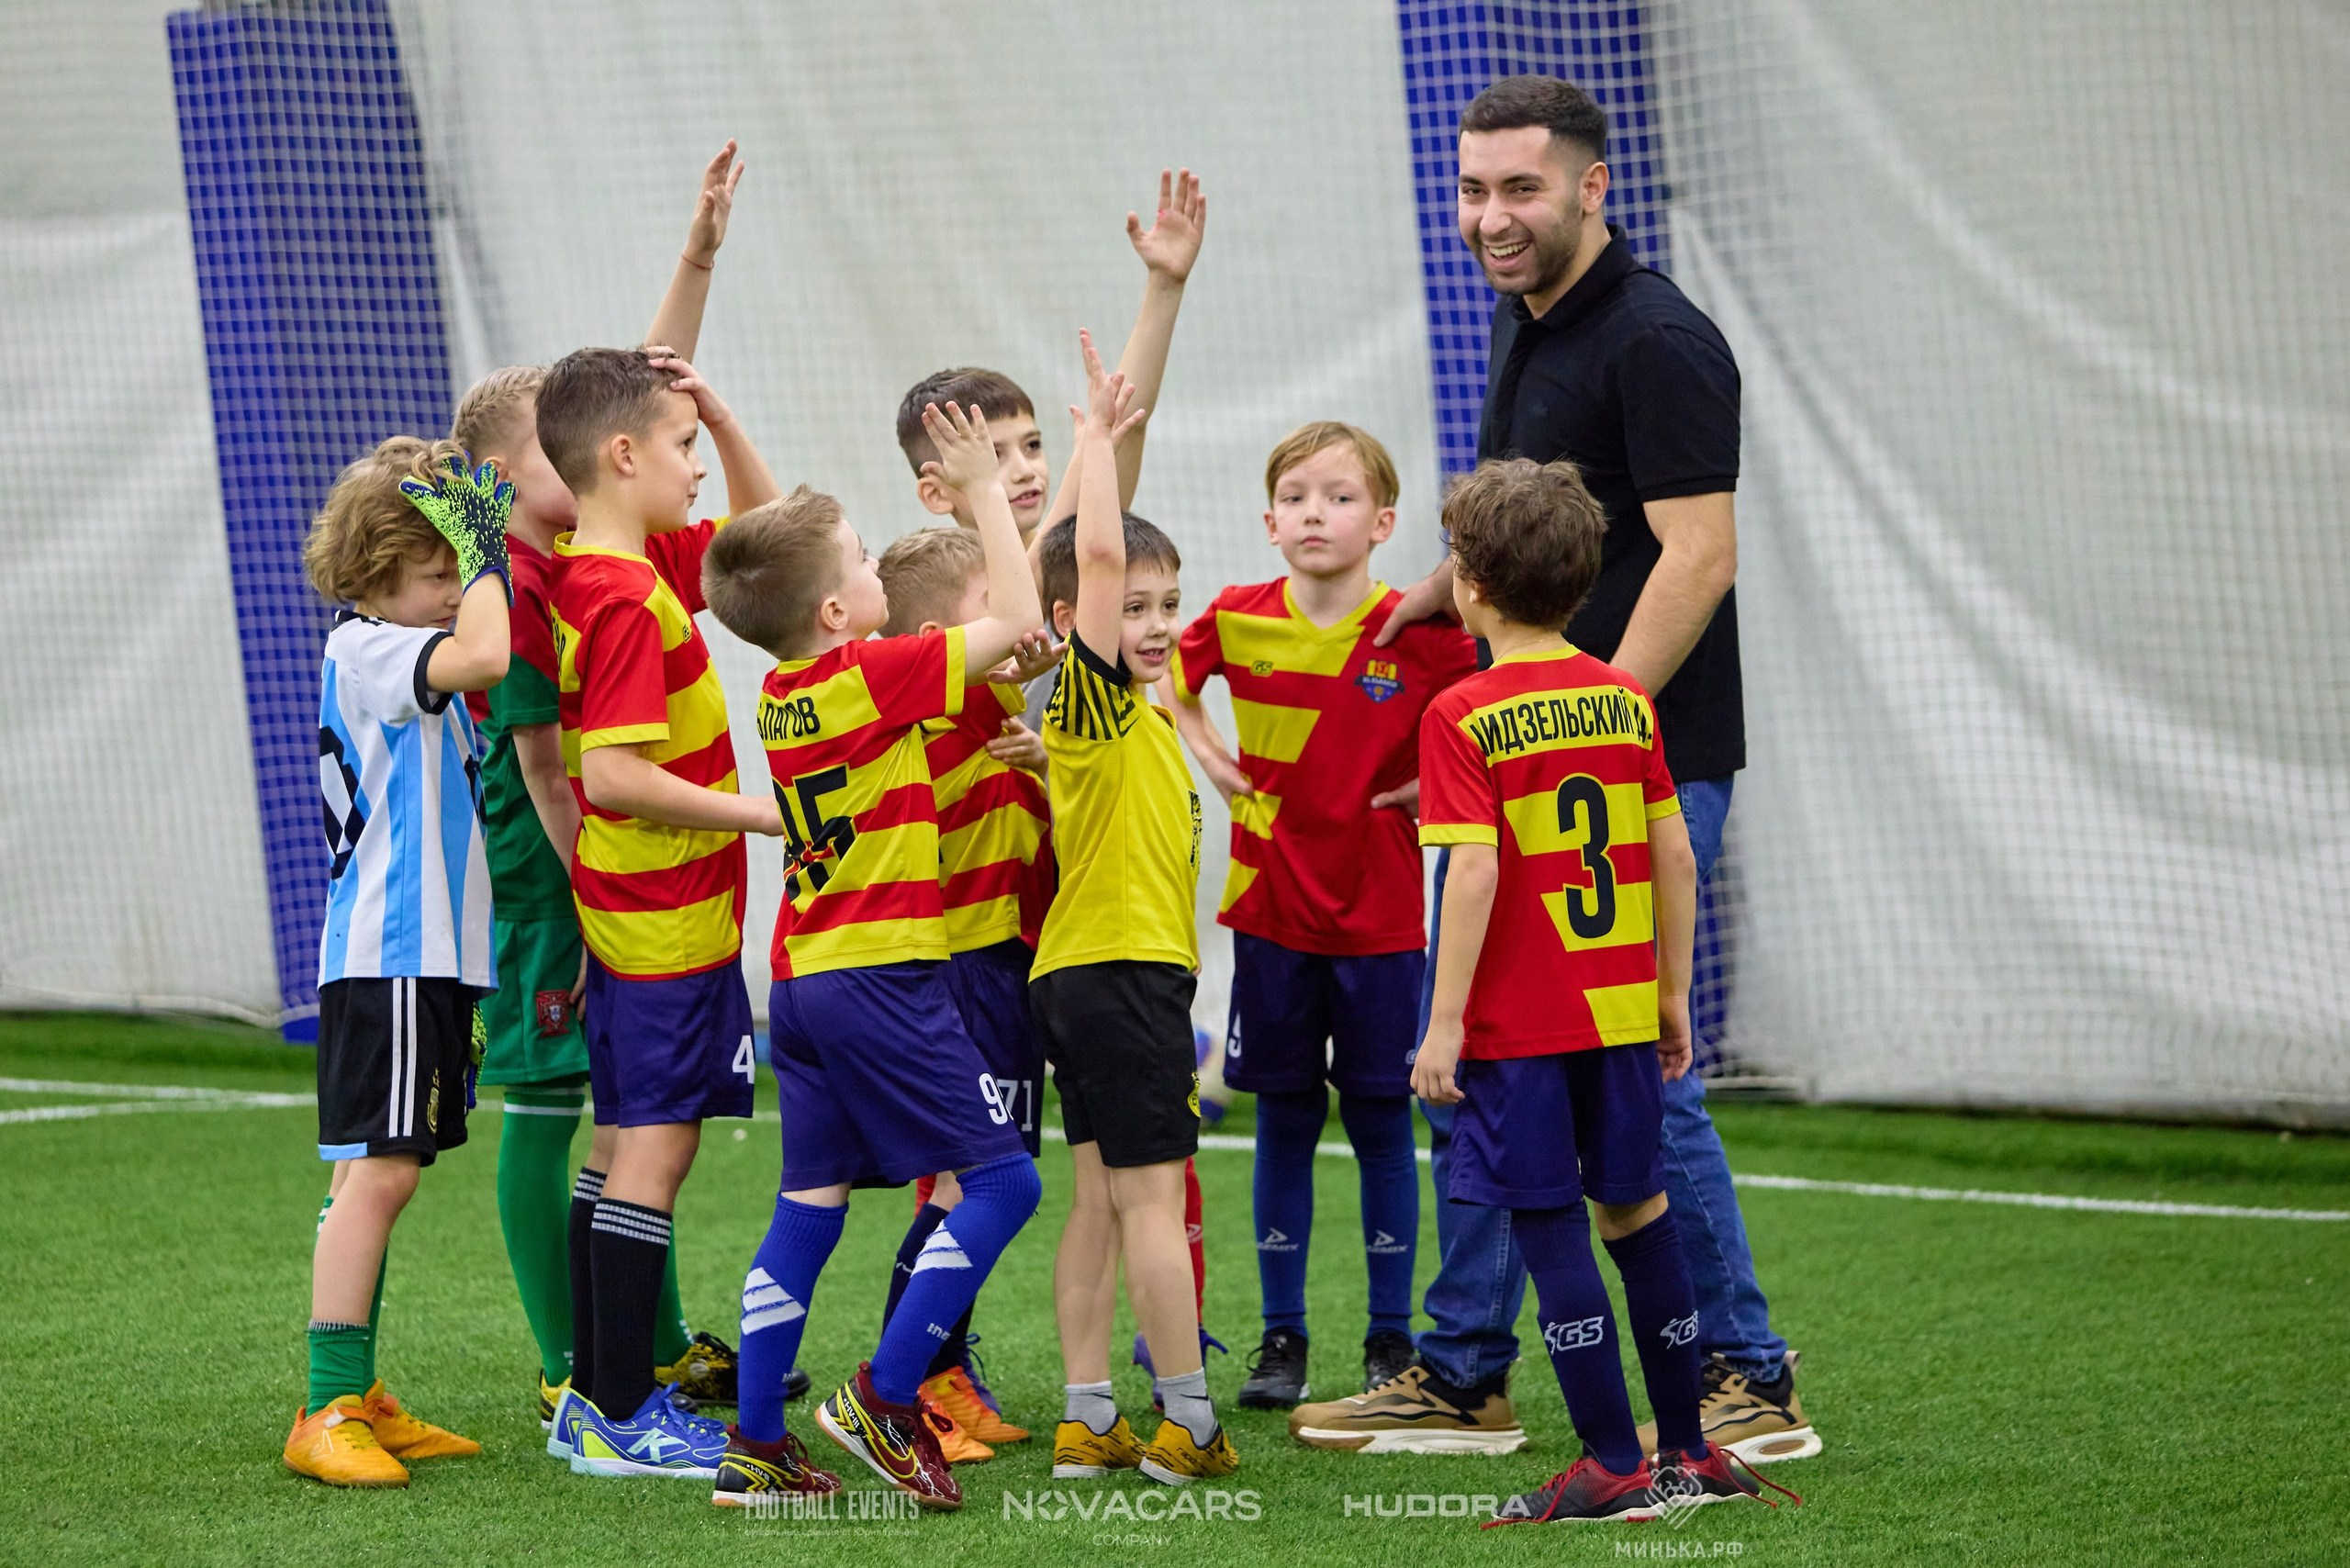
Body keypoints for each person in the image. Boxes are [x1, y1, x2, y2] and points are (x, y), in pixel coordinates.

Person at [1299, 73, 1813, 1466]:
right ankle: (1467, 1372)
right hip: (1555, 754)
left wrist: (1579, 727)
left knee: (1649, 1070)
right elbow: (1534, 528)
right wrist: (1429, 590)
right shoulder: (1527, 323)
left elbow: (1698, 554)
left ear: (1593, 186)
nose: (1490, 218)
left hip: (1642, 758)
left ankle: (1744, 1378)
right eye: (1471, 191)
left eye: (1519, 189)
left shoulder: (1660, 340)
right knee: (1502, 1058)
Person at [892, 172, 1220, 1385]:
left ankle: (1044, 1377)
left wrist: (1162, 288)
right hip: (978, 922)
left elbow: (1114, 447)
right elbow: (1102, 480)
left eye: (1035, 444)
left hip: (1062, 914)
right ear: (940, 484)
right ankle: (929, 1377)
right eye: (997, 451)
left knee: (1059, 1172)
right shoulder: (955, 590)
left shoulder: (1055, 577)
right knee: (978, 1166)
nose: (1028, 465)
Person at [699, 402, 1047, 1512]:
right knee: (1004, 1179)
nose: (873, 564)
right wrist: (986, 488)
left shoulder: (783, 690)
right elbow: (1022, 620)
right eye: (859, 555)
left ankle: (757, 1444)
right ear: (841, 608)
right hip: (877, 976)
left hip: (800, 980)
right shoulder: (871, 672)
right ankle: (886, 1394)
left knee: (808, 1206)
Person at [453, 140, 752, 1433]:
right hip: (562, 867)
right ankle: (578, 1363)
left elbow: (635, 404)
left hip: (622, 864)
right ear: (506, 482)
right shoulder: (528, 588)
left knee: (632, 1115)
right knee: (565, 1097)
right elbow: (551, 769)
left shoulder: (591, 547)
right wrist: (599, 888)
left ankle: (644, 1352)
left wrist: (698, 255)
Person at [1410, 457, 1763, 1524]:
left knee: (1549, 1222)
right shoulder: (1622, 696)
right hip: (1617, 1013)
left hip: (1519, 1031)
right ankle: (1689, 1452)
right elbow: (1675, 856)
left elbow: (1470, 871)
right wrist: (1668, 997)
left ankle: (1610, 1461)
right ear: (1585, 580)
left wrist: (1443, 1023)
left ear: (1467, 582)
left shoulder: (1461, 713)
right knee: (1640, 1214)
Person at [1165, 422, 1475, 1406]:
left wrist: (1439, 781)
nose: (1314, 512)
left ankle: (1391, 1341)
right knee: (1285, 1124)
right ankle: (1281, 1339)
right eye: (1295, 495)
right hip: (1268, 918)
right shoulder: (1234, 615)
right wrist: (1207, 750)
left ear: (1384, 523)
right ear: (1267, 521)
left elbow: (1486, 717)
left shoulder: (1419, 634)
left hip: (1384, 923)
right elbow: (1163, 674)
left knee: (1385, 1121)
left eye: (1339, 497)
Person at [535, 346, 785, 1478]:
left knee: (624, 1145)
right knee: (655, 1151)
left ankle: (593, 1394)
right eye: (682, 448)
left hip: (638, 916)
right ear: (622, 456)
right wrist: (761, 813)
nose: (698, 468)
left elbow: (775, 540)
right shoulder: (628, 597)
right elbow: (619, 778)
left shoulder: (613, 571)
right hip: (665, 921)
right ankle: (620, 1414)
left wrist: (719, 414)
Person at [284, 438, 512, 1486]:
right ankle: (327, 1404)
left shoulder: (386, 649)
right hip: (391, 954)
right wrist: (489, 556)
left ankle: (355, 1390)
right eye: (437, 575)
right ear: (376, 577)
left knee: (381, 1176)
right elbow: (487, 655)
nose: (454, 594)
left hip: (423, 960)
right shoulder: (370, 648)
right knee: (377, 1175)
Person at [1036, 334, 1235, 1488]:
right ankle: (1190, 1422)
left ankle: (1087, 1416)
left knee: (1106, 1200)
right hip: (1121, 977)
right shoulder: (1095, 696)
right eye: (1134, 606)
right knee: (1154, 1204)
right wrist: (1097, 447)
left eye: (1171, 604)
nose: (1154, 622)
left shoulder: (1137, 722)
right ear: (1075, 620)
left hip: (1090, 977)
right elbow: (1095, 550)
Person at [871, 524, 1056, 1454]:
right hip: (952, 974)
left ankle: (937, 1369)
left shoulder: (1001, 695)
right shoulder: (926, 715)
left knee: (983, 1181)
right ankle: (901, 1382)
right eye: (997, 599)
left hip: (1006, 966)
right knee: (964, 1181)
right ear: (950, 633)